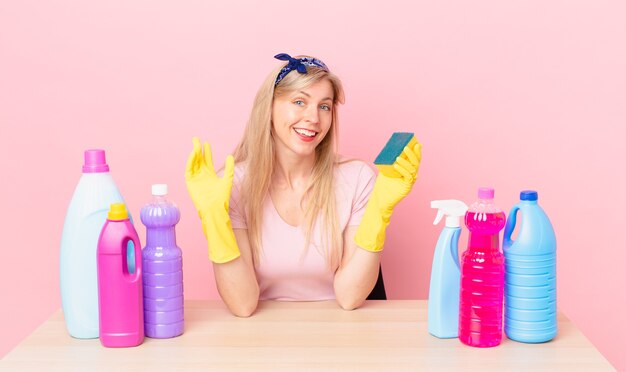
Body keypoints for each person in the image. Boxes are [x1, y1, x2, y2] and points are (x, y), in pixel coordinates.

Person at [185, 53, 422, 317]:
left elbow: (349, 297)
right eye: (300, 102)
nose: (314, 118)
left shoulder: (356, 178)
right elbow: (243, 304)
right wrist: (214, 221)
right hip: (261, 340)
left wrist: (379, 210)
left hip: (340, 337)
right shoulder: (236, 184)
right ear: (269, 108)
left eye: (325, 106)